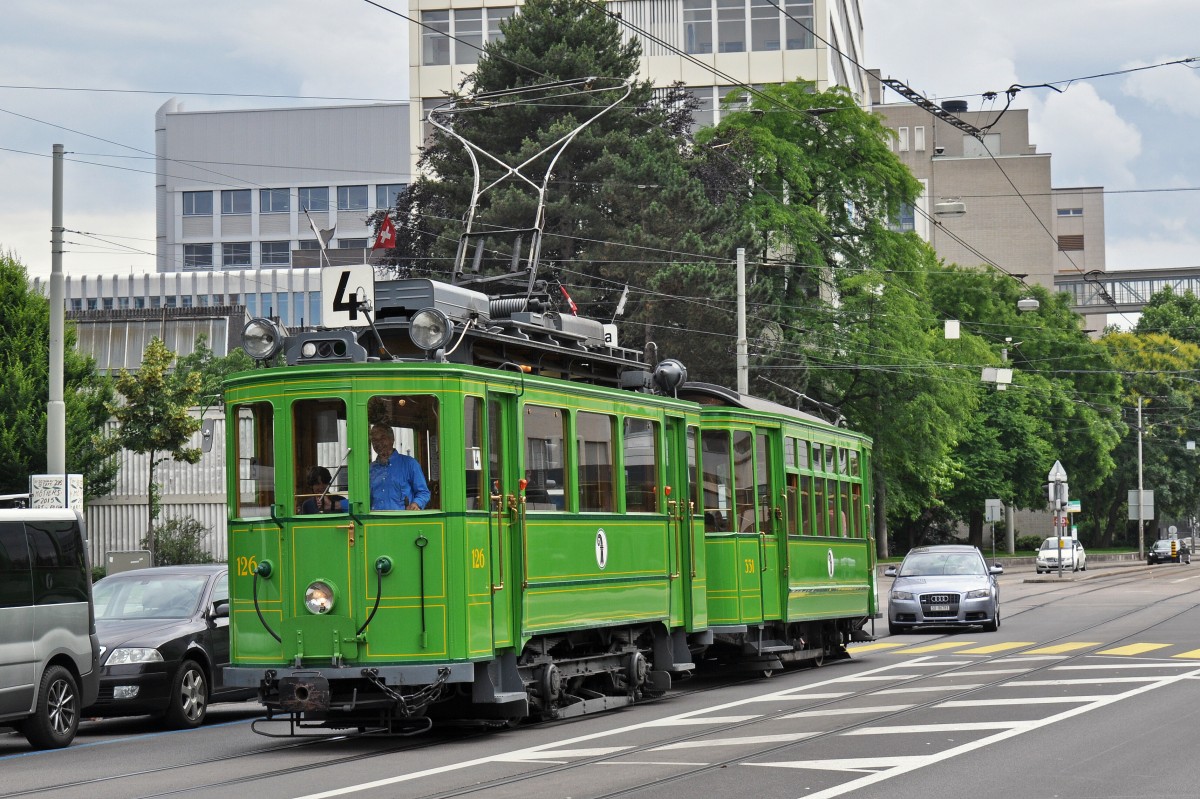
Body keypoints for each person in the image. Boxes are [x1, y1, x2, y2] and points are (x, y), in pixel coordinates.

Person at [369, 423, 430, 511]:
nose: (378, 443)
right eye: (374, 440)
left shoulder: (410, 464)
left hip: (402, 521)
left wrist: (415, 503)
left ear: (392, 439)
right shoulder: (370, 469)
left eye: (382, 438)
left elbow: (424, 492)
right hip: (375, 522)